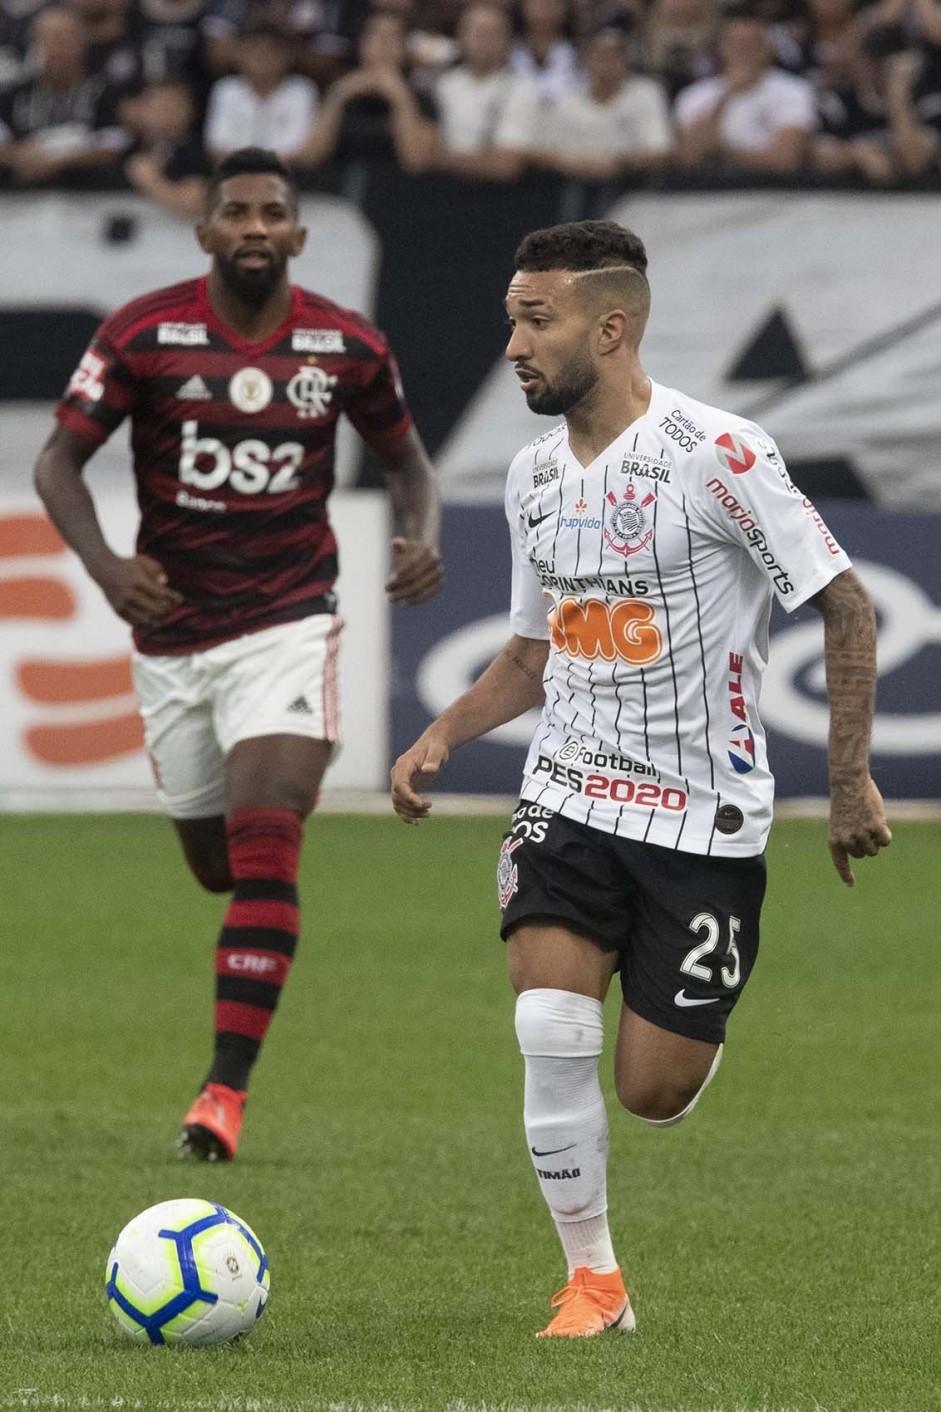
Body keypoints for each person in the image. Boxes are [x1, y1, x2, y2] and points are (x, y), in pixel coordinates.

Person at [391, 219, 891, 1337]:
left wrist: (849, 779)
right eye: (510, 319)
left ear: (608, 326)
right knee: (547, 1028)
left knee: (650, 1091)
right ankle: (594, 1282)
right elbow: (532, 652)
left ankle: (674, 1056)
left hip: (700, 821)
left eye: (536, 320)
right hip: (564, 797)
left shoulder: (716, 453)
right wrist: (441, 734)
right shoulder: (528, 476)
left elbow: (843, 601)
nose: (512, 345)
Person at [35, 145, 443, 1162]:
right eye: (237, 212)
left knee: (268, 833)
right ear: (205, 231)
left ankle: (222, 1091)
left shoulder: (344, 346)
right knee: (217, 865)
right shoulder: (143, 331)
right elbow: (57, 462)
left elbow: (407, 463)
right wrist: (104, 567)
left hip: (289, 619)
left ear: (298, 236)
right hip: (172, 632)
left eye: (273, 212)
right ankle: (243, 968)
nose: (255, 226)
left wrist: (421, 531)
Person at [674, 10, 816, 173]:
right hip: (706, 192)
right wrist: (726, 97)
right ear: (721, 48)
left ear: (767, 48)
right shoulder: (695, 95)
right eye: (735, 43)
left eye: (751, 44)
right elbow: (687, 157)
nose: (743, 51)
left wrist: (722, 149)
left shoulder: (794, 91)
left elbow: (785, 160)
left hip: (770, 189)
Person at [203, 22, 318, 163]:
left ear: (285, 57)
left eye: (268, 52)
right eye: (252, 52)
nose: (260, 59)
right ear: (238, 55)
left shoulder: (301, 90)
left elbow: (299, 151)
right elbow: (218, 146)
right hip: (236, 172)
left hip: (287, 174)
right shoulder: (227, 89)